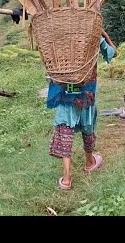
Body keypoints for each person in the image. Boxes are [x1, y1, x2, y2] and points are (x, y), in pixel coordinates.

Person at [48, 30, 116, 191]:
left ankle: (66, 179)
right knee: (88, 126)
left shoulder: (60, 37)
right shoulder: (94, 38)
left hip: (65, 90)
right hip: (86, 92)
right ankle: (89, 162)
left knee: (65, 128)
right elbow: (113, 53)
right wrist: (105, 34)